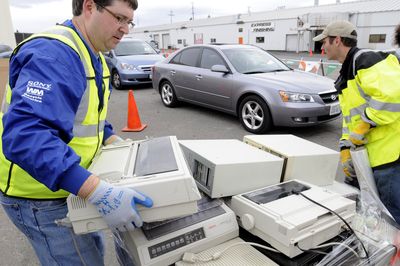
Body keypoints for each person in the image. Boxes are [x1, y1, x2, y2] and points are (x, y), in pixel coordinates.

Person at [0, 0, 153, 265]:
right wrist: (97, 190)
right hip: (40, 195)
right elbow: (26, 136)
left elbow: (88, 118)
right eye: (119, 18)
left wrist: (113, 140)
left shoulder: (95, 56)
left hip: (71, 186)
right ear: (90, 6)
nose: (125, 29)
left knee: (91, 251)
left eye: (129, 21)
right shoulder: (55, 53)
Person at [313, 20, 400, 224]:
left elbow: (393, 96)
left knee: (391, 219)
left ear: (337, 40)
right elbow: (351, 117)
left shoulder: (365, 60)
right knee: (362, 212)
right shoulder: (347, 72)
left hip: (387, 159)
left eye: (324, 41)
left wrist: (365, 125)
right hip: (367, 158)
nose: (322, 47)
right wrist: (345, 148)